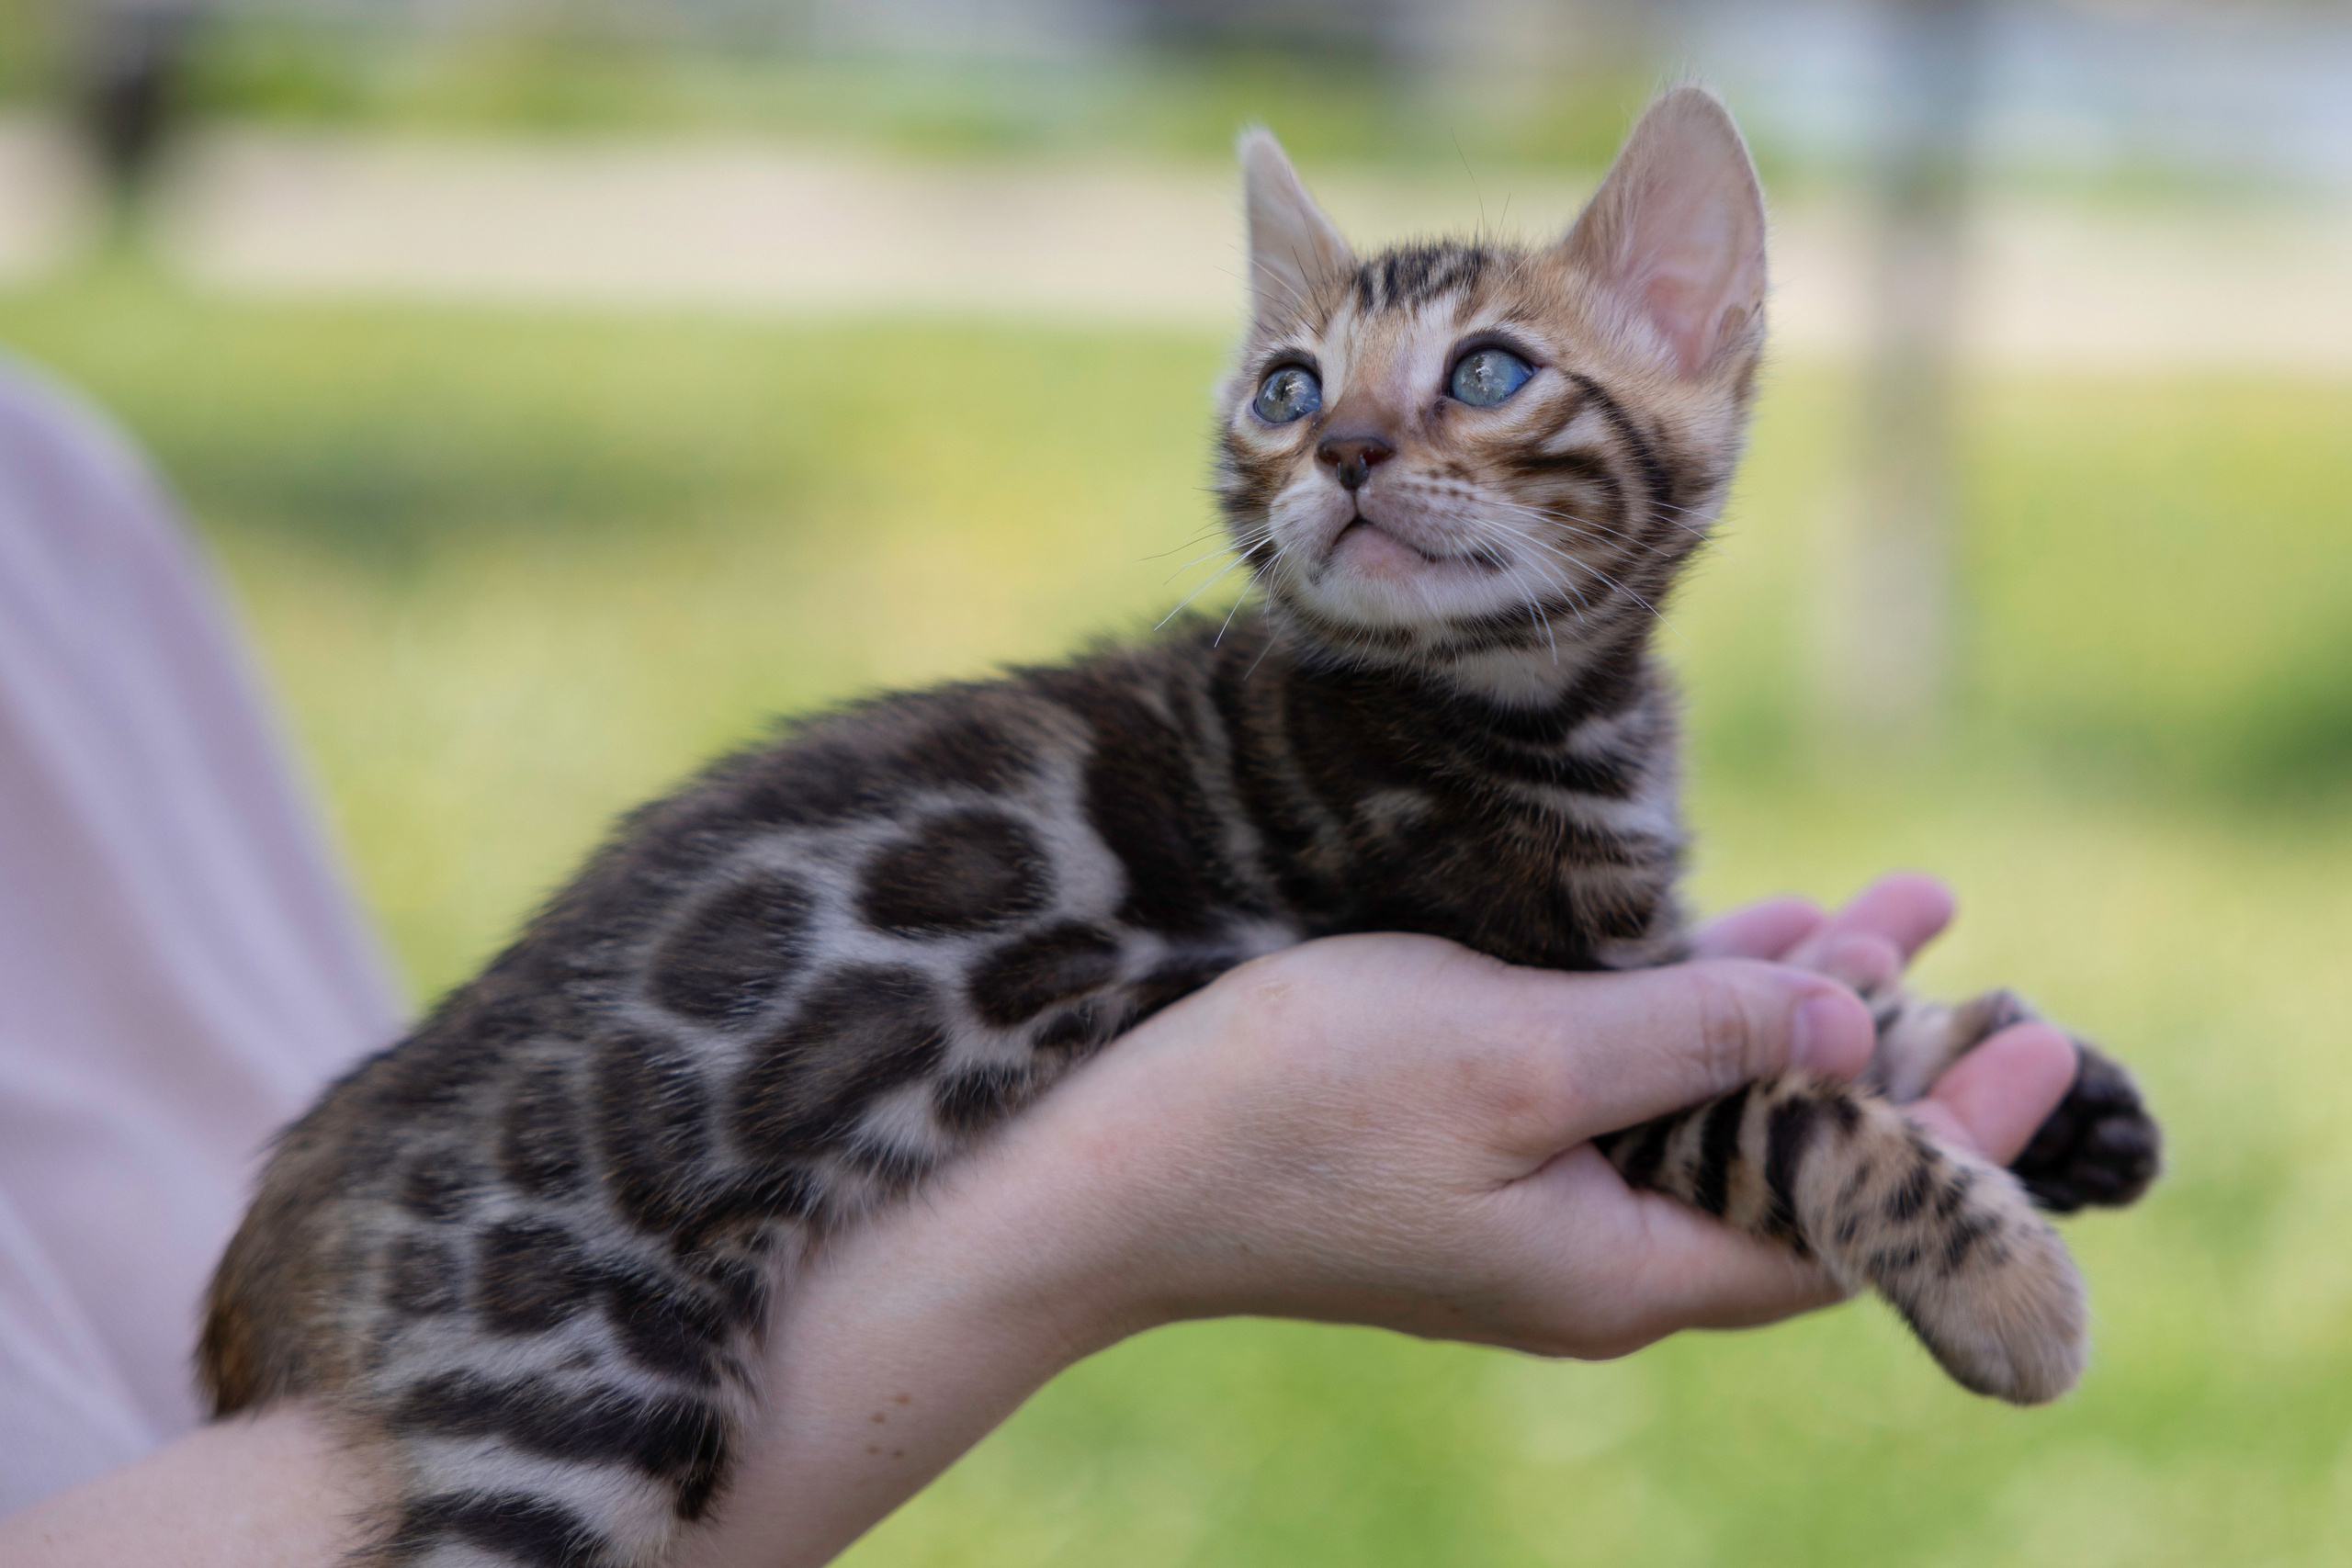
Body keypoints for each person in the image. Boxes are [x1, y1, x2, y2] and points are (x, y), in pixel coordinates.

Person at [0, 363, 2079, 1565]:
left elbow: (1575, 1051)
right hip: (588, 1223)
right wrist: (1876, 1172)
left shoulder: (57, 496)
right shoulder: (1366, 753)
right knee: (587, 1496)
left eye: (1479, 376)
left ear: (1694, 365)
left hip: (444, 1181)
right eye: (1298, 390)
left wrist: (1838, 1039)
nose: (1355, 432)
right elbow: (1606, 1065)